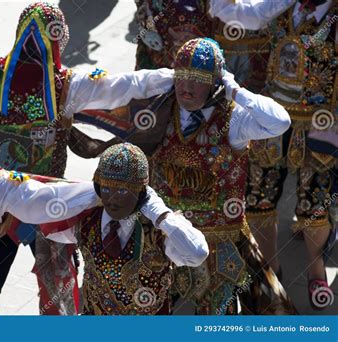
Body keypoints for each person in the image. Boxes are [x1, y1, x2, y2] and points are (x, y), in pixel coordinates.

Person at [0, 1, 175, 314]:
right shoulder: (65, 85)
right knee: (58, 284)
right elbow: (123, 86)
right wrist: (177, 77)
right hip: (48, 205)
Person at [76, 37, 297, 314]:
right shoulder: (159, 109)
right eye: (182, 77)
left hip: (219, 241)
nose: (186, 87)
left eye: (198, 79)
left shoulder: (234, 120)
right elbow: (116, 90)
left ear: (216, 83)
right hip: (165, 237)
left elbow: (280, 122)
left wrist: (236, 91)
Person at [211, 0, 337, 310]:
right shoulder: (283, 5)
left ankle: (315, 271)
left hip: (320, 124)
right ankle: (269, 272)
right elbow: (239, 15)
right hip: (273, 122)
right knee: (258, 200)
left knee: (314, 204)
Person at [43, 143, 209, 315]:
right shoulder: (87, 220)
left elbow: (197, 254)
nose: (112, 199)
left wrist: (160, 215)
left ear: (141, 193)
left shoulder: (157, 230)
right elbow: (35, 206)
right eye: (106, 188)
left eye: (122, 191)